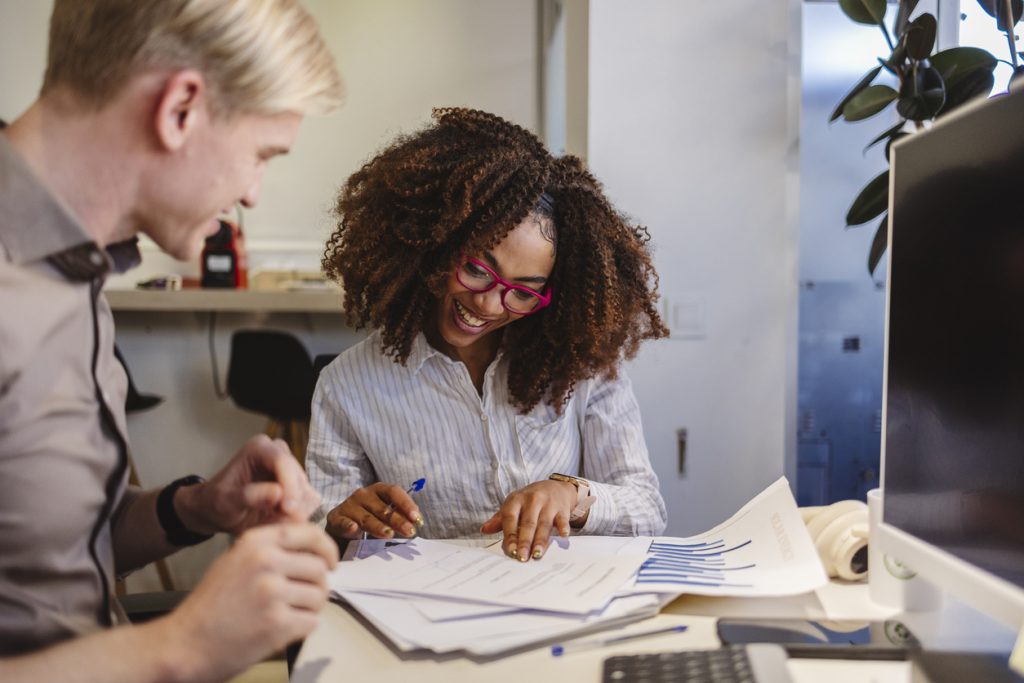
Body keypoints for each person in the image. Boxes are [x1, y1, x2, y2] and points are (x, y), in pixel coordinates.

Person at [0, 1, 344, 681]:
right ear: (181, 108)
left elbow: (51, 557)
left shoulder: (78, 269)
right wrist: (180, 645)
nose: (253, 194)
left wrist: (192, 509)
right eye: (260, 155)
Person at [307, 107, 669, 563]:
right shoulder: (348, 385)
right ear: (434, 242)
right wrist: (342, 525)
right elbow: (320, 537)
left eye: (523, 293)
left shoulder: (583, 367)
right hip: (427, 615)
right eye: (478, 270)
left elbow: (648, 509)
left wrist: (571, 497)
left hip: (561, 604)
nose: (489, 304)